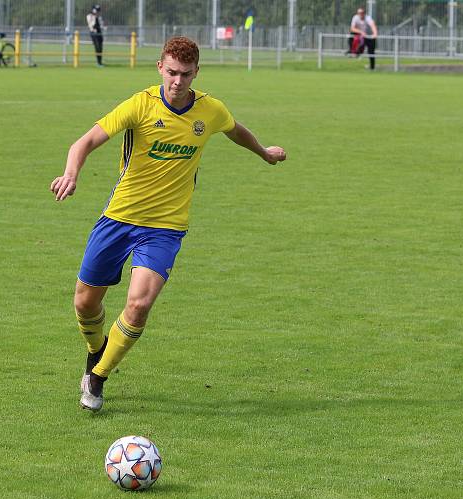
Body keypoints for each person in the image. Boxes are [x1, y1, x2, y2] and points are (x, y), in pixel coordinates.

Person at [49, 36, 286, 412]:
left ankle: (98, 378)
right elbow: (85, 142)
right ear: (160, 67)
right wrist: (71, 173)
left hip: (165, 228)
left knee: (139, 305)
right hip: (118, 219)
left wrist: (264, 154)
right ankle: (96, 351)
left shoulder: (210, 111)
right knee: (84, 304)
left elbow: (235, 130)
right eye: (172, 72)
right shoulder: (140, 105)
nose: (178, 81)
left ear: (197, 72)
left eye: (186, 74)